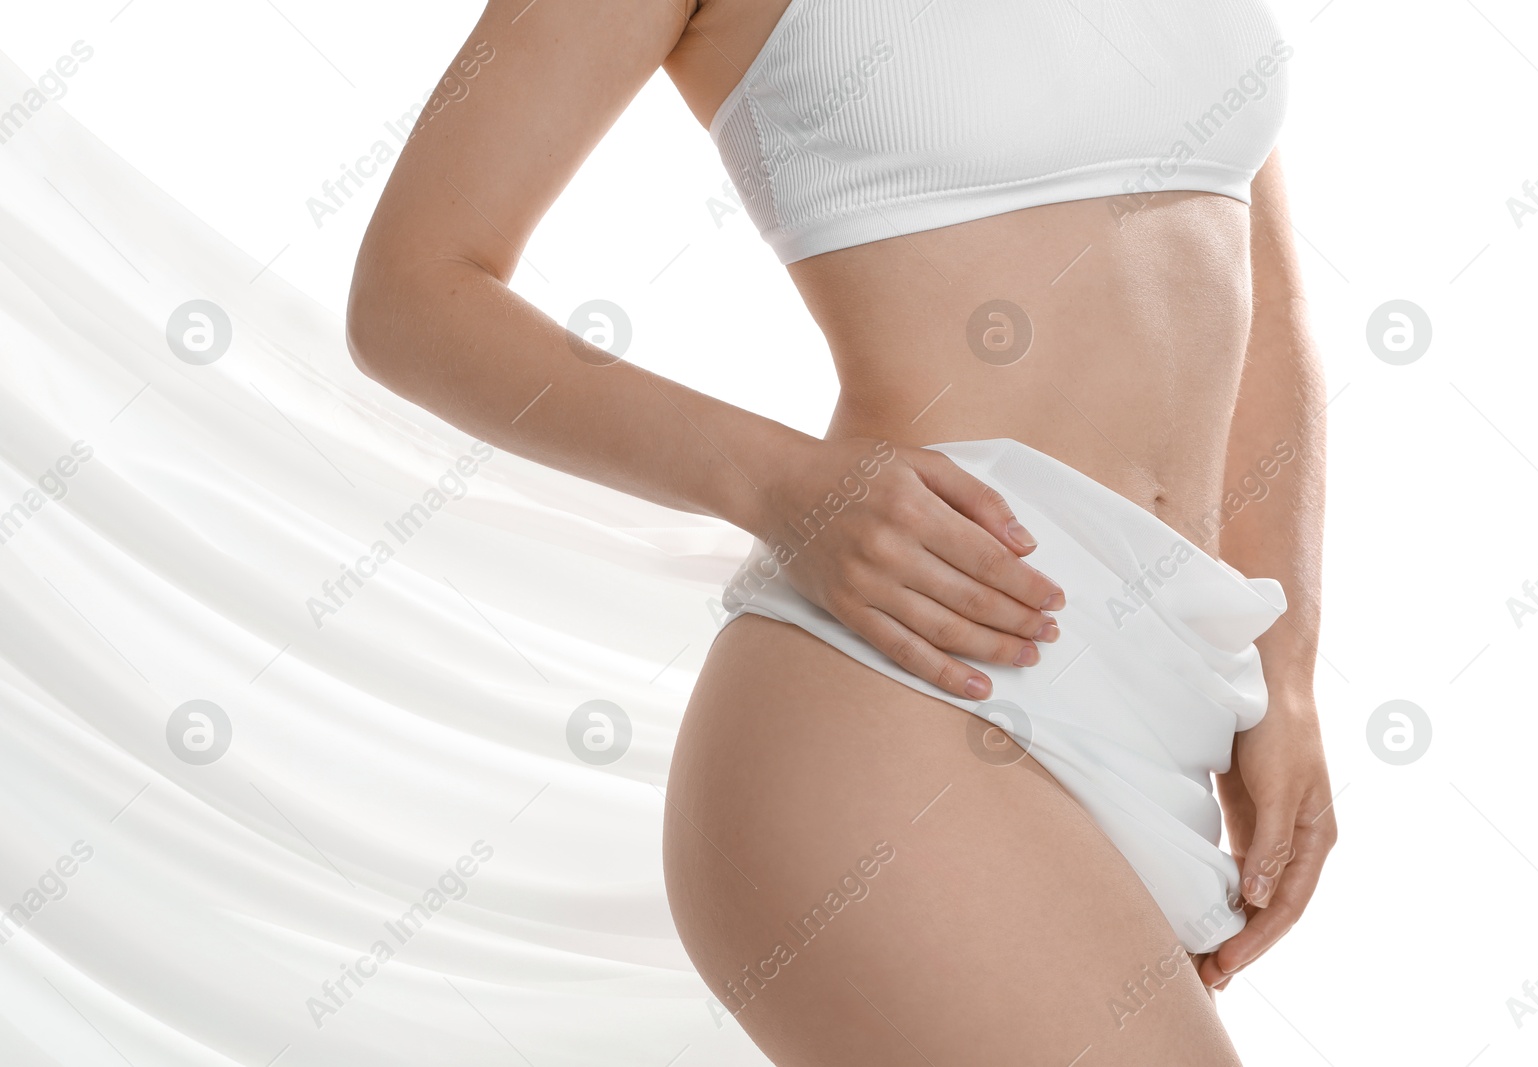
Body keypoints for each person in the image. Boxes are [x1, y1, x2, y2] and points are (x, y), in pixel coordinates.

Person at [346, 1, 1337, 1062]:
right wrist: (781, 482)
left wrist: (1280, 674)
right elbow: (413, 291)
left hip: (1169, 691)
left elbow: (1265, 299)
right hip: (909, 671)